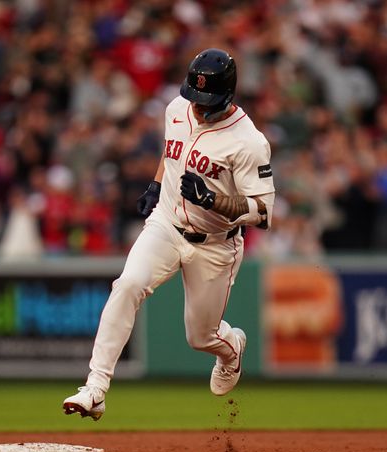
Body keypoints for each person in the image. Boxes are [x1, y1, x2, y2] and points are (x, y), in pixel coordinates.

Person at [63, 48, 276, 420]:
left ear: (227, 97)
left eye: (204, 100)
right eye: (193, 95)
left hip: (214, 245)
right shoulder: (177, 108)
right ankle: (95, 388)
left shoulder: (249, 142)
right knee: (128, 284)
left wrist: (214, 200)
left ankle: (231, 350)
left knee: (200, 337)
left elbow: (263, 212)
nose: (195, 105)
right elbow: (171, 151)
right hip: (166, 223)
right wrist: (156, 183)